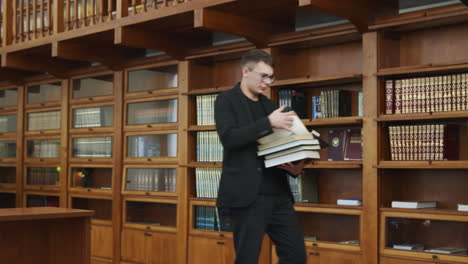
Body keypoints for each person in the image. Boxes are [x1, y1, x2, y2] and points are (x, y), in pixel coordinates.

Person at [214, 49, 307, 264]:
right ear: (246, 71)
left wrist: (295, 164)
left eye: (271, 77)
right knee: (247, 259)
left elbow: (280, 145)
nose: (267, 82)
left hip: (279, 194)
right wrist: (268, 123)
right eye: (263, 76)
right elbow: (229, 138)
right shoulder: (226, 100)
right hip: (247, 197)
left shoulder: (270, 106)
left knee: (296, 256)